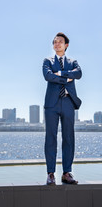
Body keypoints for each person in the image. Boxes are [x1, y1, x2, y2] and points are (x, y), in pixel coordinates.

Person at [43, 32, 82, 185]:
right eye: (54, 42)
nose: (57, 43)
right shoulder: (47, 60)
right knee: (50, 138)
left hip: (68, 103)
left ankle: (66, 173)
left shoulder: (73, 62)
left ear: (66, 45)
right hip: (51, 104)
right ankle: (50, 174)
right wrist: (67, 77)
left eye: (60, 41)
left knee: (68, 138)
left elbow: (78, 73)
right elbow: (47, 76)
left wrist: (59, 73)